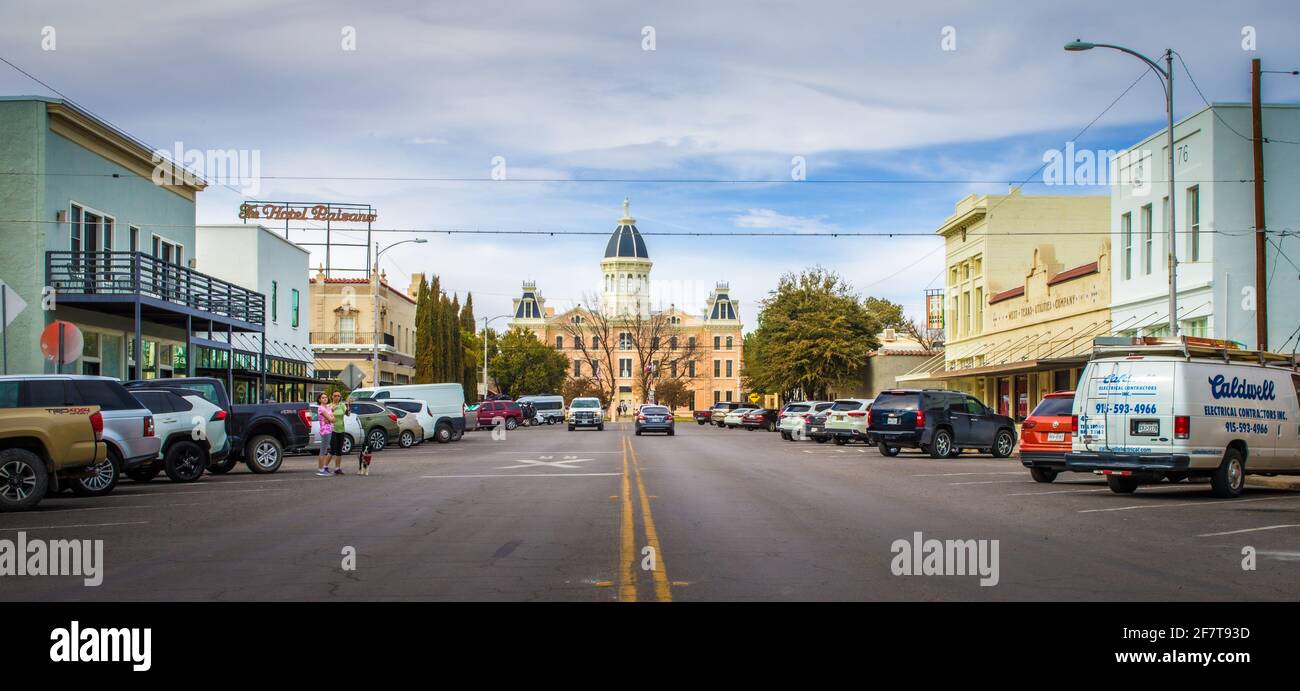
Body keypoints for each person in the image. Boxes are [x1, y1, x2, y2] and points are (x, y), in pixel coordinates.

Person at [328, 391, 349, 475]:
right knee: (332, 450)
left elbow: (347, 414)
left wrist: (348, 406)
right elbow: (326, 416)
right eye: (335, 395)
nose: (337, 397)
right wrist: (331, 410)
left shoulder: (342, 405)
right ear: (332, 396)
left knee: (339, 450)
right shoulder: (329, 406)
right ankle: (324, 467)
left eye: (338, 396)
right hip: (332, 430)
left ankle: (337, 468)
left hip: (341, 429)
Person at [315, 393, 335, 477]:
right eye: (322, 398)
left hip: (330, 430)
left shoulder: (328, 408)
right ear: (319, 400)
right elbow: (332, 419)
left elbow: (333, 419)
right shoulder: (321, 408)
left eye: (326, 397)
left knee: (325, 449)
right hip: (325, 431)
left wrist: (330, 419)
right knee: (323, 450)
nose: (325, 399)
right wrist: (330, 419)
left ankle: (322, 468)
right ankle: (321, 469)